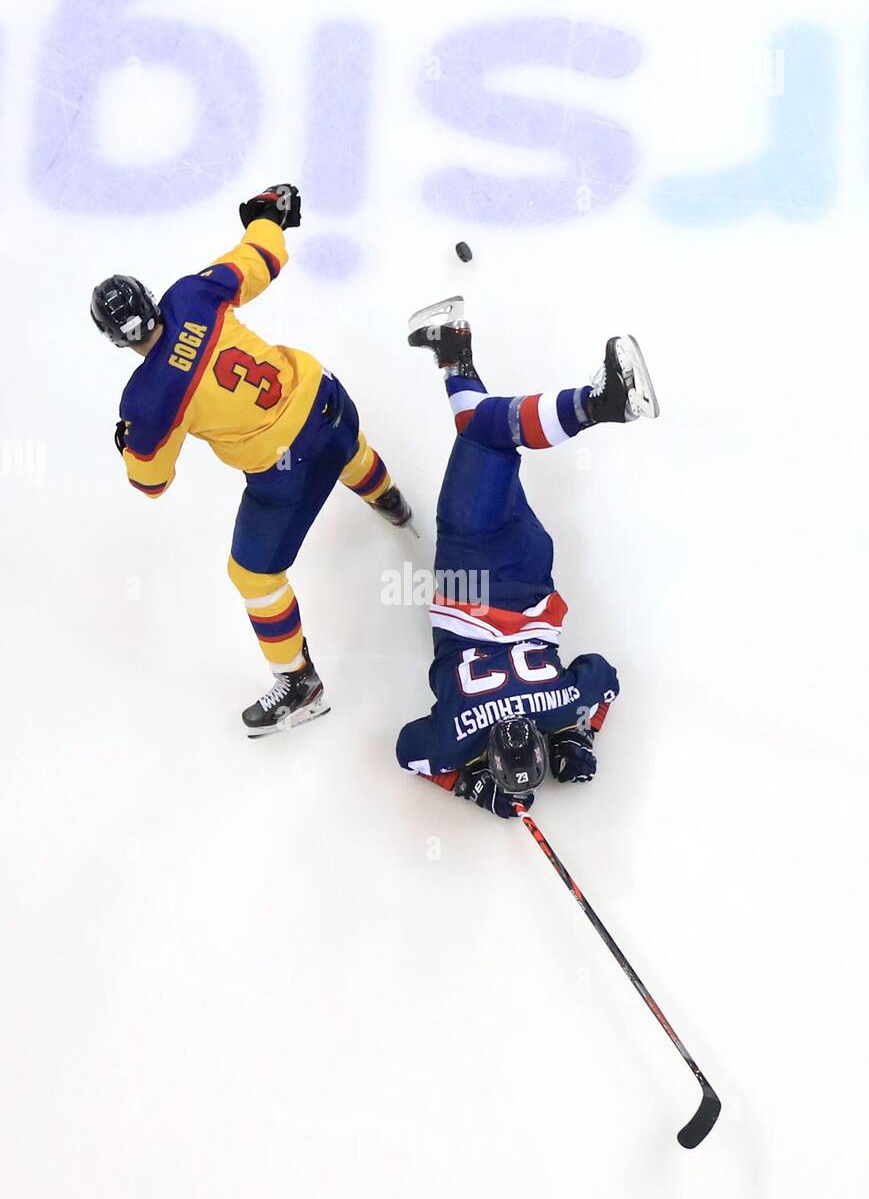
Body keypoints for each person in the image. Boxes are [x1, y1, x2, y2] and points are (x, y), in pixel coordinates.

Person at [92, 184, 412, 737]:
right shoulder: (192, 294)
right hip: (325, 398)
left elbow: (151, 483)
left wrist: (127, 442)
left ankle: (299, 682)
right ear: (149, 297)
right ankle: (390, 500)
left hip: (284, 466)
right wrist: (268, 216)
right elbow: (265, 256)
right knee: (349, 450)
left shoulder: (147, 401)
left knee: (253, 575)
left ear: (113, 340)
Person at [396, 295, 658, 816]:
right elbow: (409, 750)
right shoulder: (454, 734)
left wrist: (576, 732)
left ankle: (454, 355)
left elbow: (604, 675)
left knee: (485, 450)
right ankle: (601, 403)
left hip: (532, 568)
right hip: (470, 569)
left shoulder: (562, 701)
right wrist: (468, 784)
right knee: (487, 437)